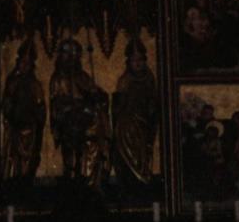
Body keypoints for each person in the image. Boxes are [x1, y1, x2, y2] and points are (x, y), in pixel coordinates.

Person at [50, 35, 109, 187]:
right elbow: (57, 105)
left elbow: (95, 92)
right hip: (71, 122)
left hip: (87, 123)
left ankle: (92, 179)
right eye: (68, 54)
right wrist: (77, 106)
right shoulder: (58, 78)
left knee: (97, 126)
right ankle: (78, 180)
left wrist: (98, 96)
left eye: (75, 54)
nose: (71, 58)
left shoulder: (82, 76)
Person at [112, 36, 159, 191]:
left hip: (144, 122)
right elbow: (119, 104)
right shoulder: (125, 80)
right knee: (128, 154)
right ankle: (131, 183)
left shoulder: (149, 78)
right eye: (134, 60)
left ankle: (142, 179)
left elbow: (153, 99)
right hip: (128, 123)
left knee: (143, 152)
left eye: (140, 60)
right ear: (129, 63)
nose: (137, 63)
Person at [0, 39, 45, 190]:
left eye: (28, 63)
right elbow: (6, 100)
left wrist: (37, 119)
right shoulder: (12, 81)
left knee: (28, 159)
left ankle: (24, 182)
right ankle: (13, 181)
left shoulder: (35, 84)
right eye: (22, 62)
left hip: (29, 129)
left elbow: (40, 105)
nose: (24, 66)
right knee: (13, 157)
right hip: (14, 126)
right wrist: (8, 108)